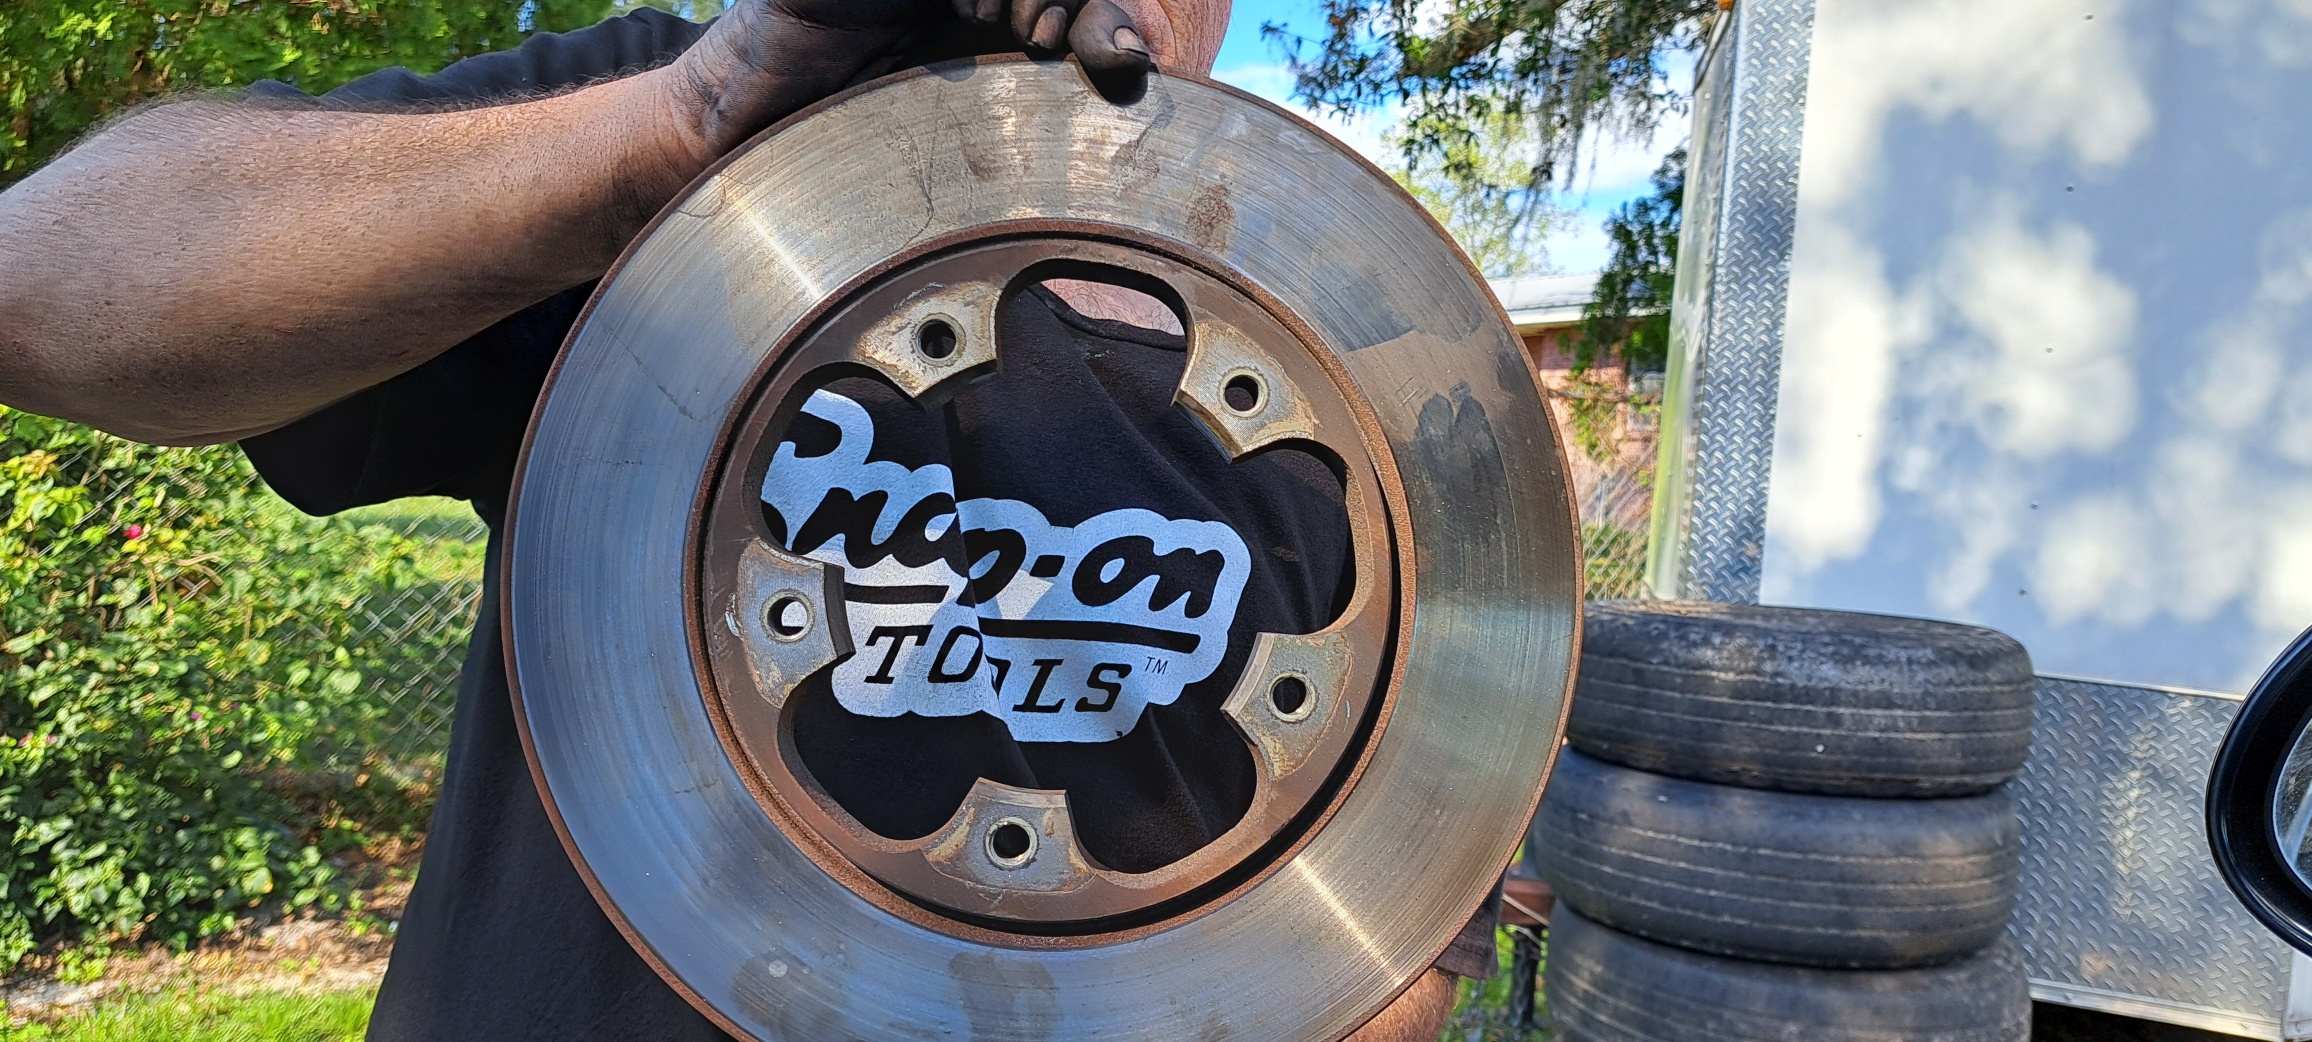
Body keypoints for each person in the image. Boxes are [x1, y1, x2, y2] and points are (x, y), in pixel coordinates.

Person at [0, 2, 1495, 1038]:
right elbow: (40, 284)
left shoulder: (1329, 373)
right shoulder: (661, 132)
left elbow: (1391, 972)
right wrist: (696, 118)